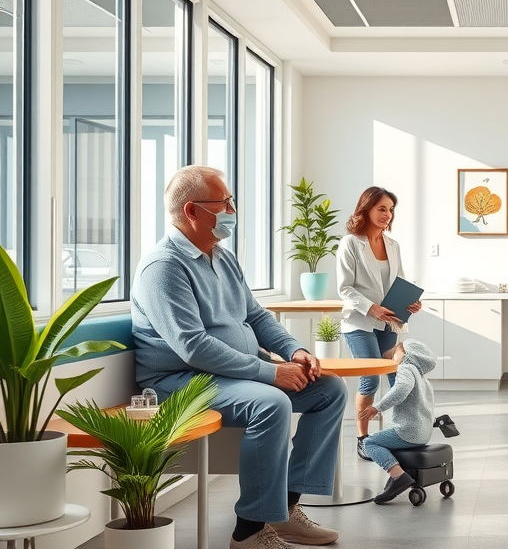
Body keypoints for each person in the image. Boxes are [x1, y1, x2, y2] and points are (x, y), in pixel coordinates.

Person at [133, 166, 346, 549]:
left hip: (232, 376)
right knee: (272, 403)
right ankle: (248, 532)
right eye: (225, 202)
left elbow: (257, 316)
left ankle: (284, 509)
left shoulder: (221, 256)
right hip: (179, 382)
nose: (232, 209)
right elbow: (193, 347)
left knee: (329, 389)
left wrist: (295, 352)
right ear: (192, 212)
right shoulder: (163, 267)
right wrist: (269, 372)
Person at [337, 186, 422, 461]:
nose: (388, 214)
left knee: (398, 377)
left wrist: (411, 302)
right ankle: (363, 438)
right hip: (360, 322)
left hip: (389, 322)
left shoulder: (393, 245)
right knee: (370, 379)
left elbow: (401, 281)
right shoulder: (351, 243)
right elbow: (345, 288)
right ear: (367, 209)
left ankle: (399, 433)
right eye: (382, 208)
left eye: (391, 209)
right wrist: (370, 307)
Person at [357, 338, 437, 504]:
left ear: (408, 354)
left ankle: (398, 476)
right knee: (384, 441)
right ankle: (396, 477)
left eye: (397, 351)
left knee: (370, 443)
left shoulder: (406, 368)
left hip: (408, 431)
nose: (394, 354)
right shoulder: (422, 377)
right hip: (422, 432)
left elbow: (401, 389)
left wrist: (376, 407)